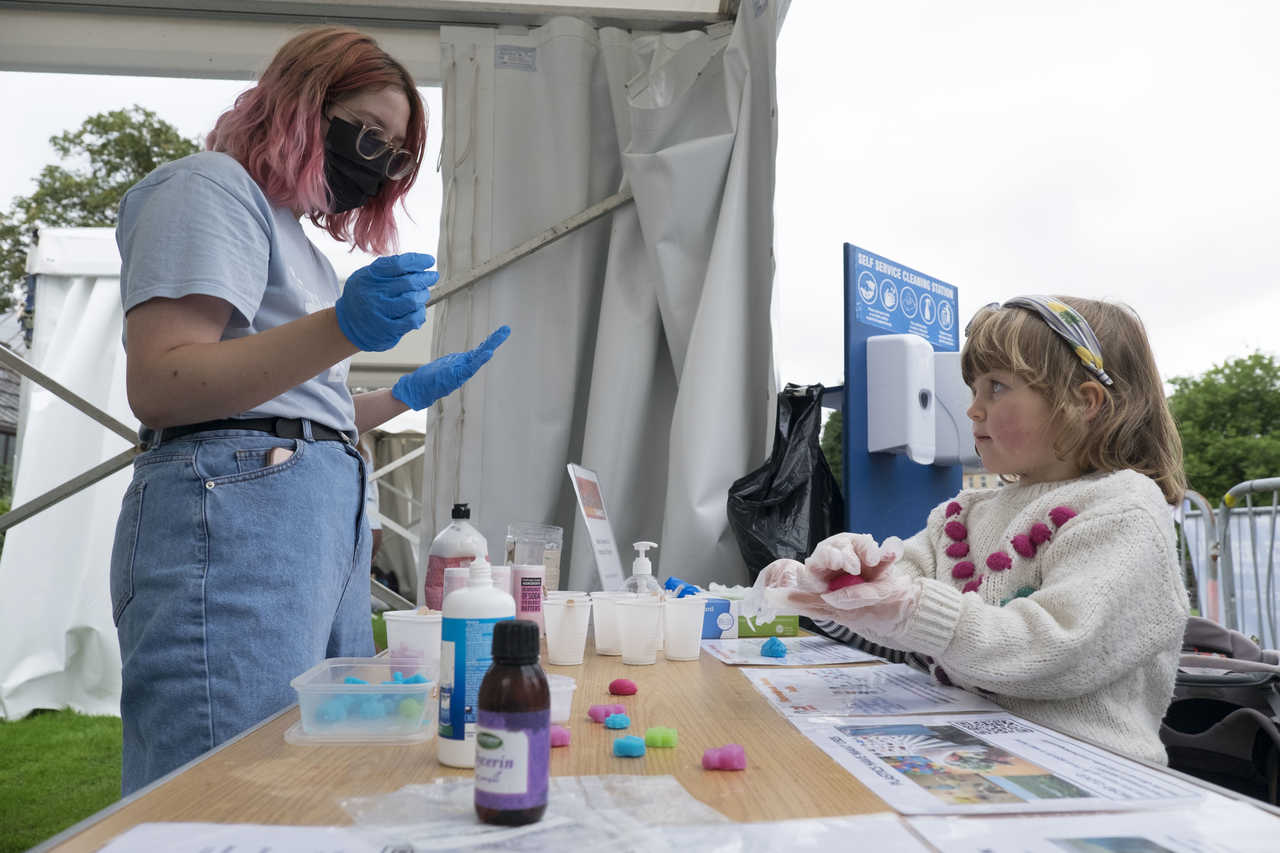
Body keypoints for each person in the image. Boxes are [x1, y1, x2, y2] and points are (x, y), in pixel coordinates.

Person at [110, 26, 508, 794]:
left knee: (310, 774)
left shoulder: (303, 248)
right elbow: (163, 382)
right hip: (236, 520)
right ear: (301, 105)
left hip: (307, 520)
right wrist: (339, 329)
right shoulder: (208, 187)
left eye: (396, 157)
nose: (381, 167)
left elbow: (286, 405)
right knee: (224, 782)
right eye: (370, 137)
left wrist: (398, 397)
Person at [758, 296, 1190, 764]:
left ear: (1083, 402)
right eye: (973, 390)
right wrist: (837, 589)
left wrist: (913, 609)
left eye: (997, 387)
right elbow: (899, 610)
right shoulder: (962, 514)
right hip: (969, 753)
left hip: (1091, 775)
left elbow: (1058, 650)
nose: (973, 410)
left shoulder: (1124, 511)